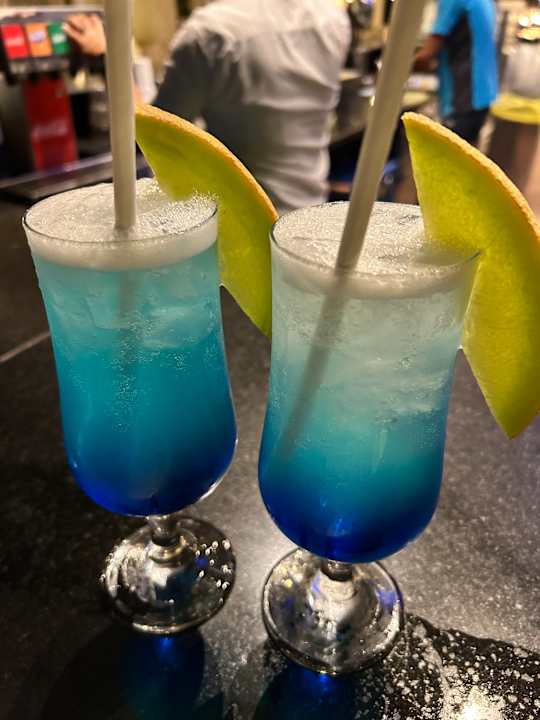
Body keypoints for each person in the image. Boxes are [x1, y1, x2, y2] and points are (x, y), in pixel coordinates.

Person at [65, 2, 351, 214]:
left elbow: (155, 135)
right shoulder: (332, 17)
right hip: (310, 216)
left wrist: (106, 54)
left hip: (245, 230)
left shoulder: (210, 33)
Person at [415, 0, 498, 145]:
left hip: (464, 96)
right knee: (467, 152)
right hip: (484, 92)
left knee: (449, 155)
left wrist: (392, 70)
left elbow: (427, 54)